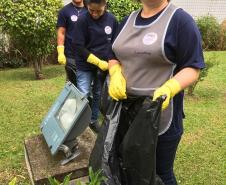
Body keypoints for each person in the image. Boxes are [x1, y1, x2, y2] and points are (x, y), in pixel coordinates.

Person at [107, 0, 205, 184]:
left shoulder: (179, 21)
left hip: (160, 117)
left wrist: (170, 88)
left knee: (160, 174)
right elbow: (112, 54)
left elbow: (193, 67)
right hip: (126, 114)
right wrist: (115, 72)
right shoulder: (127, 21)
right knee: (130, 167)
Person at [73, 0, 118, 133]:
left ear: (105, 5)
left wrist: (110, 62)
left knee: (98, 93)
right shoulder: (82, 20)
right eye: (91, 10)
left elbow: (116, 44)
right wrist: (97, 61)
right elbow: (78, 46)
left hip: (103, 67)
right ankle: (78, 124)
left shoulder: (112, 20)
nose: (94, 14)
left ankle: (93, 120)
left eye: (98, 11)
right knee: (83, 93)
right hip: (85, 64)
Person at [56, 0, 87, 86]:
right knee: (72, 85)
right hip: (71, 55)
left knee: (88, 85)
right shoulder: (64, 11)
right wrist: (60, 52)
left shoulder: (90, 9)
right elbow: (61, 32)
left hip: (89, 55)